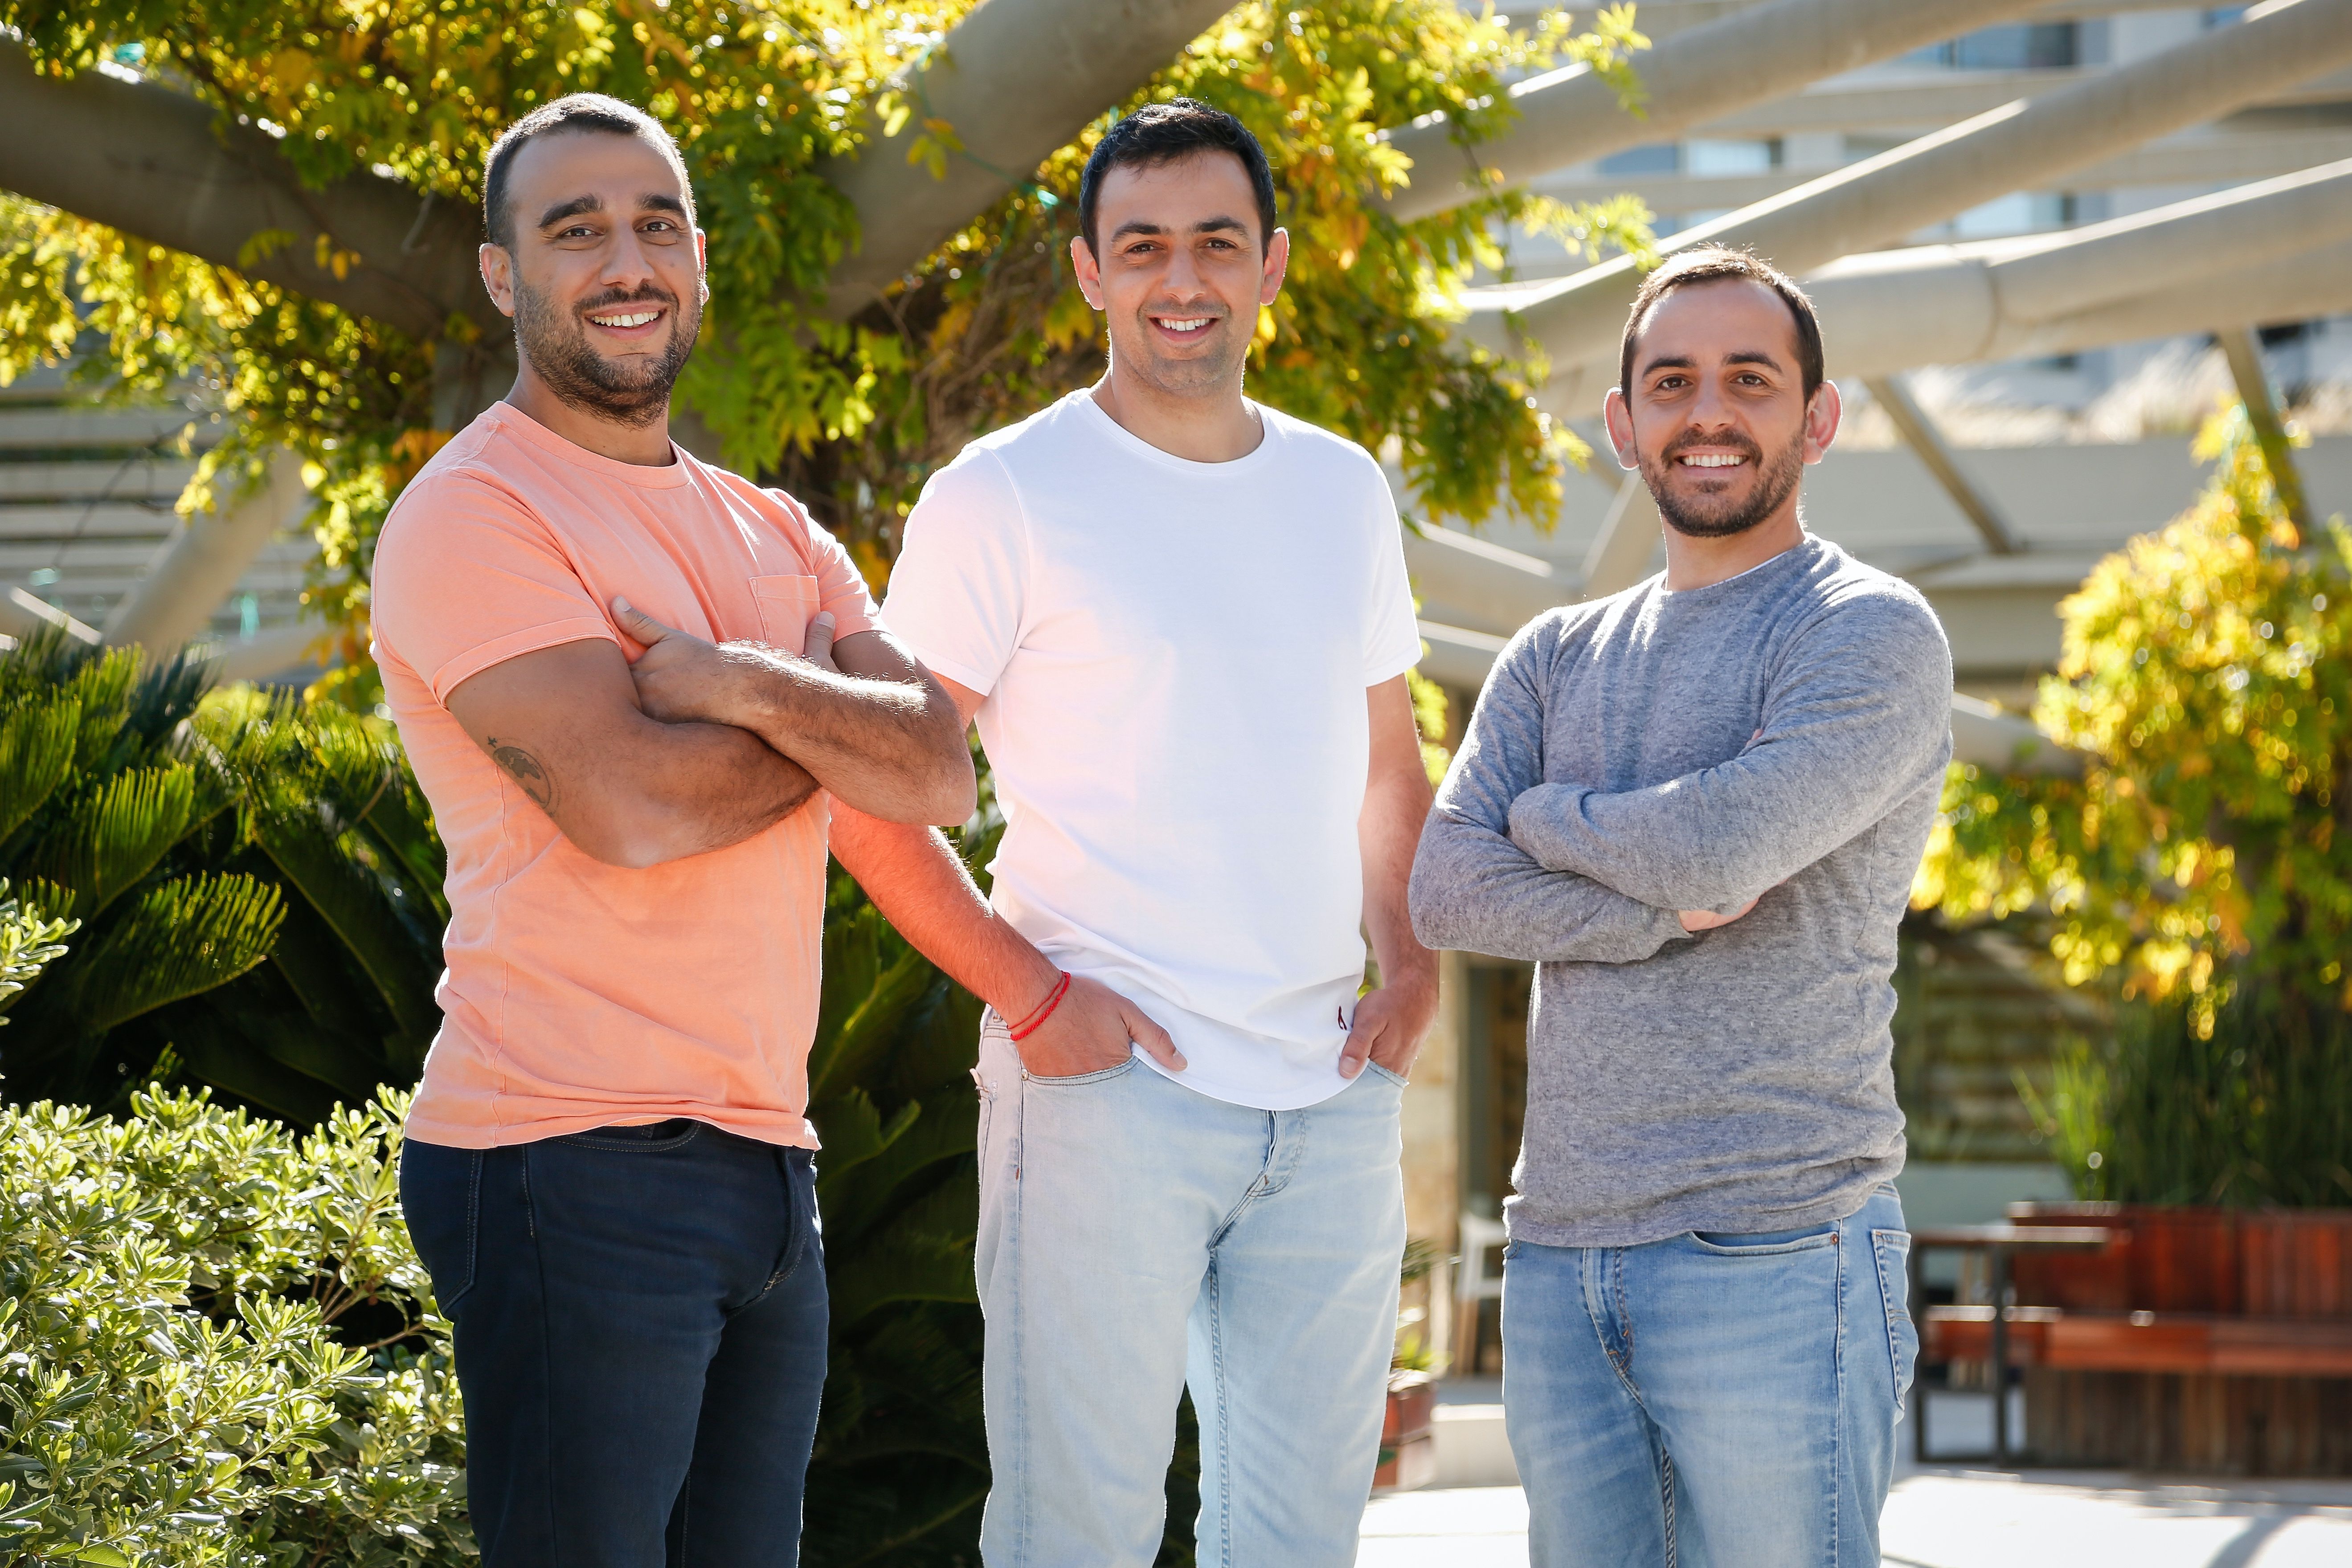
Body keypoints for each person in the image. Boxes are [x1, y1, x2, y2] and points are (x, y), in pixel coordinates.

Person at [823, 98, 1438, 1568]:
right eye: (1143, 245)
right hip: (1107, 1096)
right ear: (1090, 271)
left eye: (1217, 242)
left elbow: (1389, 766)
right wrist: (1032, 999)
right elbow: (873, 791)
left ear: (1272, 265)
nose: (1184, 278)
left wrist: (1410, 968)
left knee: (1300, 1547)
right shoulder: (1005, 496)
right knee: (1074, 1541)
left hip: (1332, 1102)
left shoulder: (1341, 488)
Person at [373, 94, 974, 1568]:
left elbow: (942, 768)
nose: (624, 259)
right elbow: (634, 810)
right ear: (504, 276)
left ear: (699, 259)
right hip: (566, 1158)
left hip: (769, 1166)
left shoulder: (776, 530)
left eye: (654, 224)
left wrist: (737, 686)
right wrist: (826, 722)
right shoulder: (476, 515)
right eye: (574, 229)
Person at [1408, 245, 1952, 1568]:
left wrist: (1546, 818)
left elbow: (1717, 851)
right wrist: (1645, 910)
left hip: (1779, 1248)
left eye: (1749, 380)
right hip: (1561, 1253)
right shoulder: (1552, 654)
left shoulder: (1867, 634)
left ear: (1816, 419)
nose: (1708, 413)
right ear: (1625, 423)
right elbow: (1444, 887)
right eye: (1673, 382)